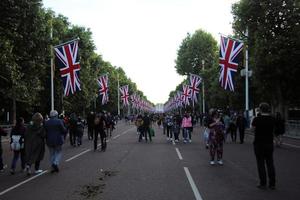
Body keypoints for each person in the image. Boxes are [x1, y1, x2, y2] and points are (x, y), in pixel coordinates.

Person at [251, 102, 276, 190]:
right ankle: (272, 183)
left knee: (260, 163)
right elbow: (273, 131)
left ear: (260, 109)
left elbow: (252, 130)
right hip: (269, 143)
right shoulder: (272, 119)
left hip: (259, 143)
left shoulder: (256, 119)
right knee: (270, 163)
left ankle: (263, 183)